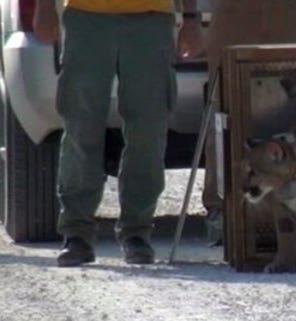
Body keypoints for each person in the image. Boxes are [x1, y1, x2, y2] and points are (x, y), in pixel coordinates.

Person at [33, 0, 202, 266]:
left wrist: (191, 18)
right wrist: (43, 8)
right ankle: (77, 233)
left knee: (148, 131)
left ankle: (137, 232)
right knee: (80, 129)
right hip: (86, 16)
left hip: (151, 20)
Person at [179, 0, 296, 246]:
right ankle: (222, 209)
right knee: (225, 109)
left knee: (295, 105)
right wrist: (190, 18)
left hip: (286, 14)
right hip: (234, 14)